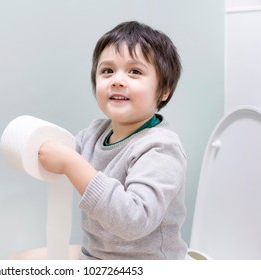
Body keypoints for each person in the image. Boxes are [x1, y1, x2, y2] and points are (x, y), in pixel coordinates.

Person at [38, 21, 188, 260]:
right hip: (98, 257)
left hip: (146, 266)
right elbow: (56, 156)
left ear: (164, 91)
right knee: (16, 262)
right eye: (107, 71)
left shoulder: (161, 148)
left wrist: (70, 163)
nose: (117, 80)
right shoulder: (95, 133)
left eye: (135, 72)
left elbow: (134, 220)